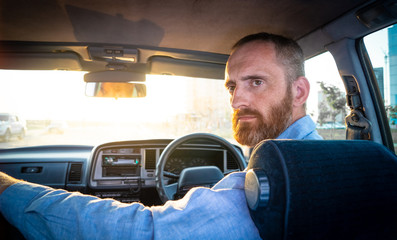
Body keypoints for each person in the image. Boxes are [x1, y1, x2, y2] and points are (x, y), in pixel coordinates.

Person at [0, 32, 322, 239]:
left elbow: (143, 231)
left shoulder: (267, 188)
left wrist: (7, 189)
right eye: (231, 86)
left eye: (256, 82)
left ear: (299, 91)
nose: (236, 100)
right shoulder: (347, 163)